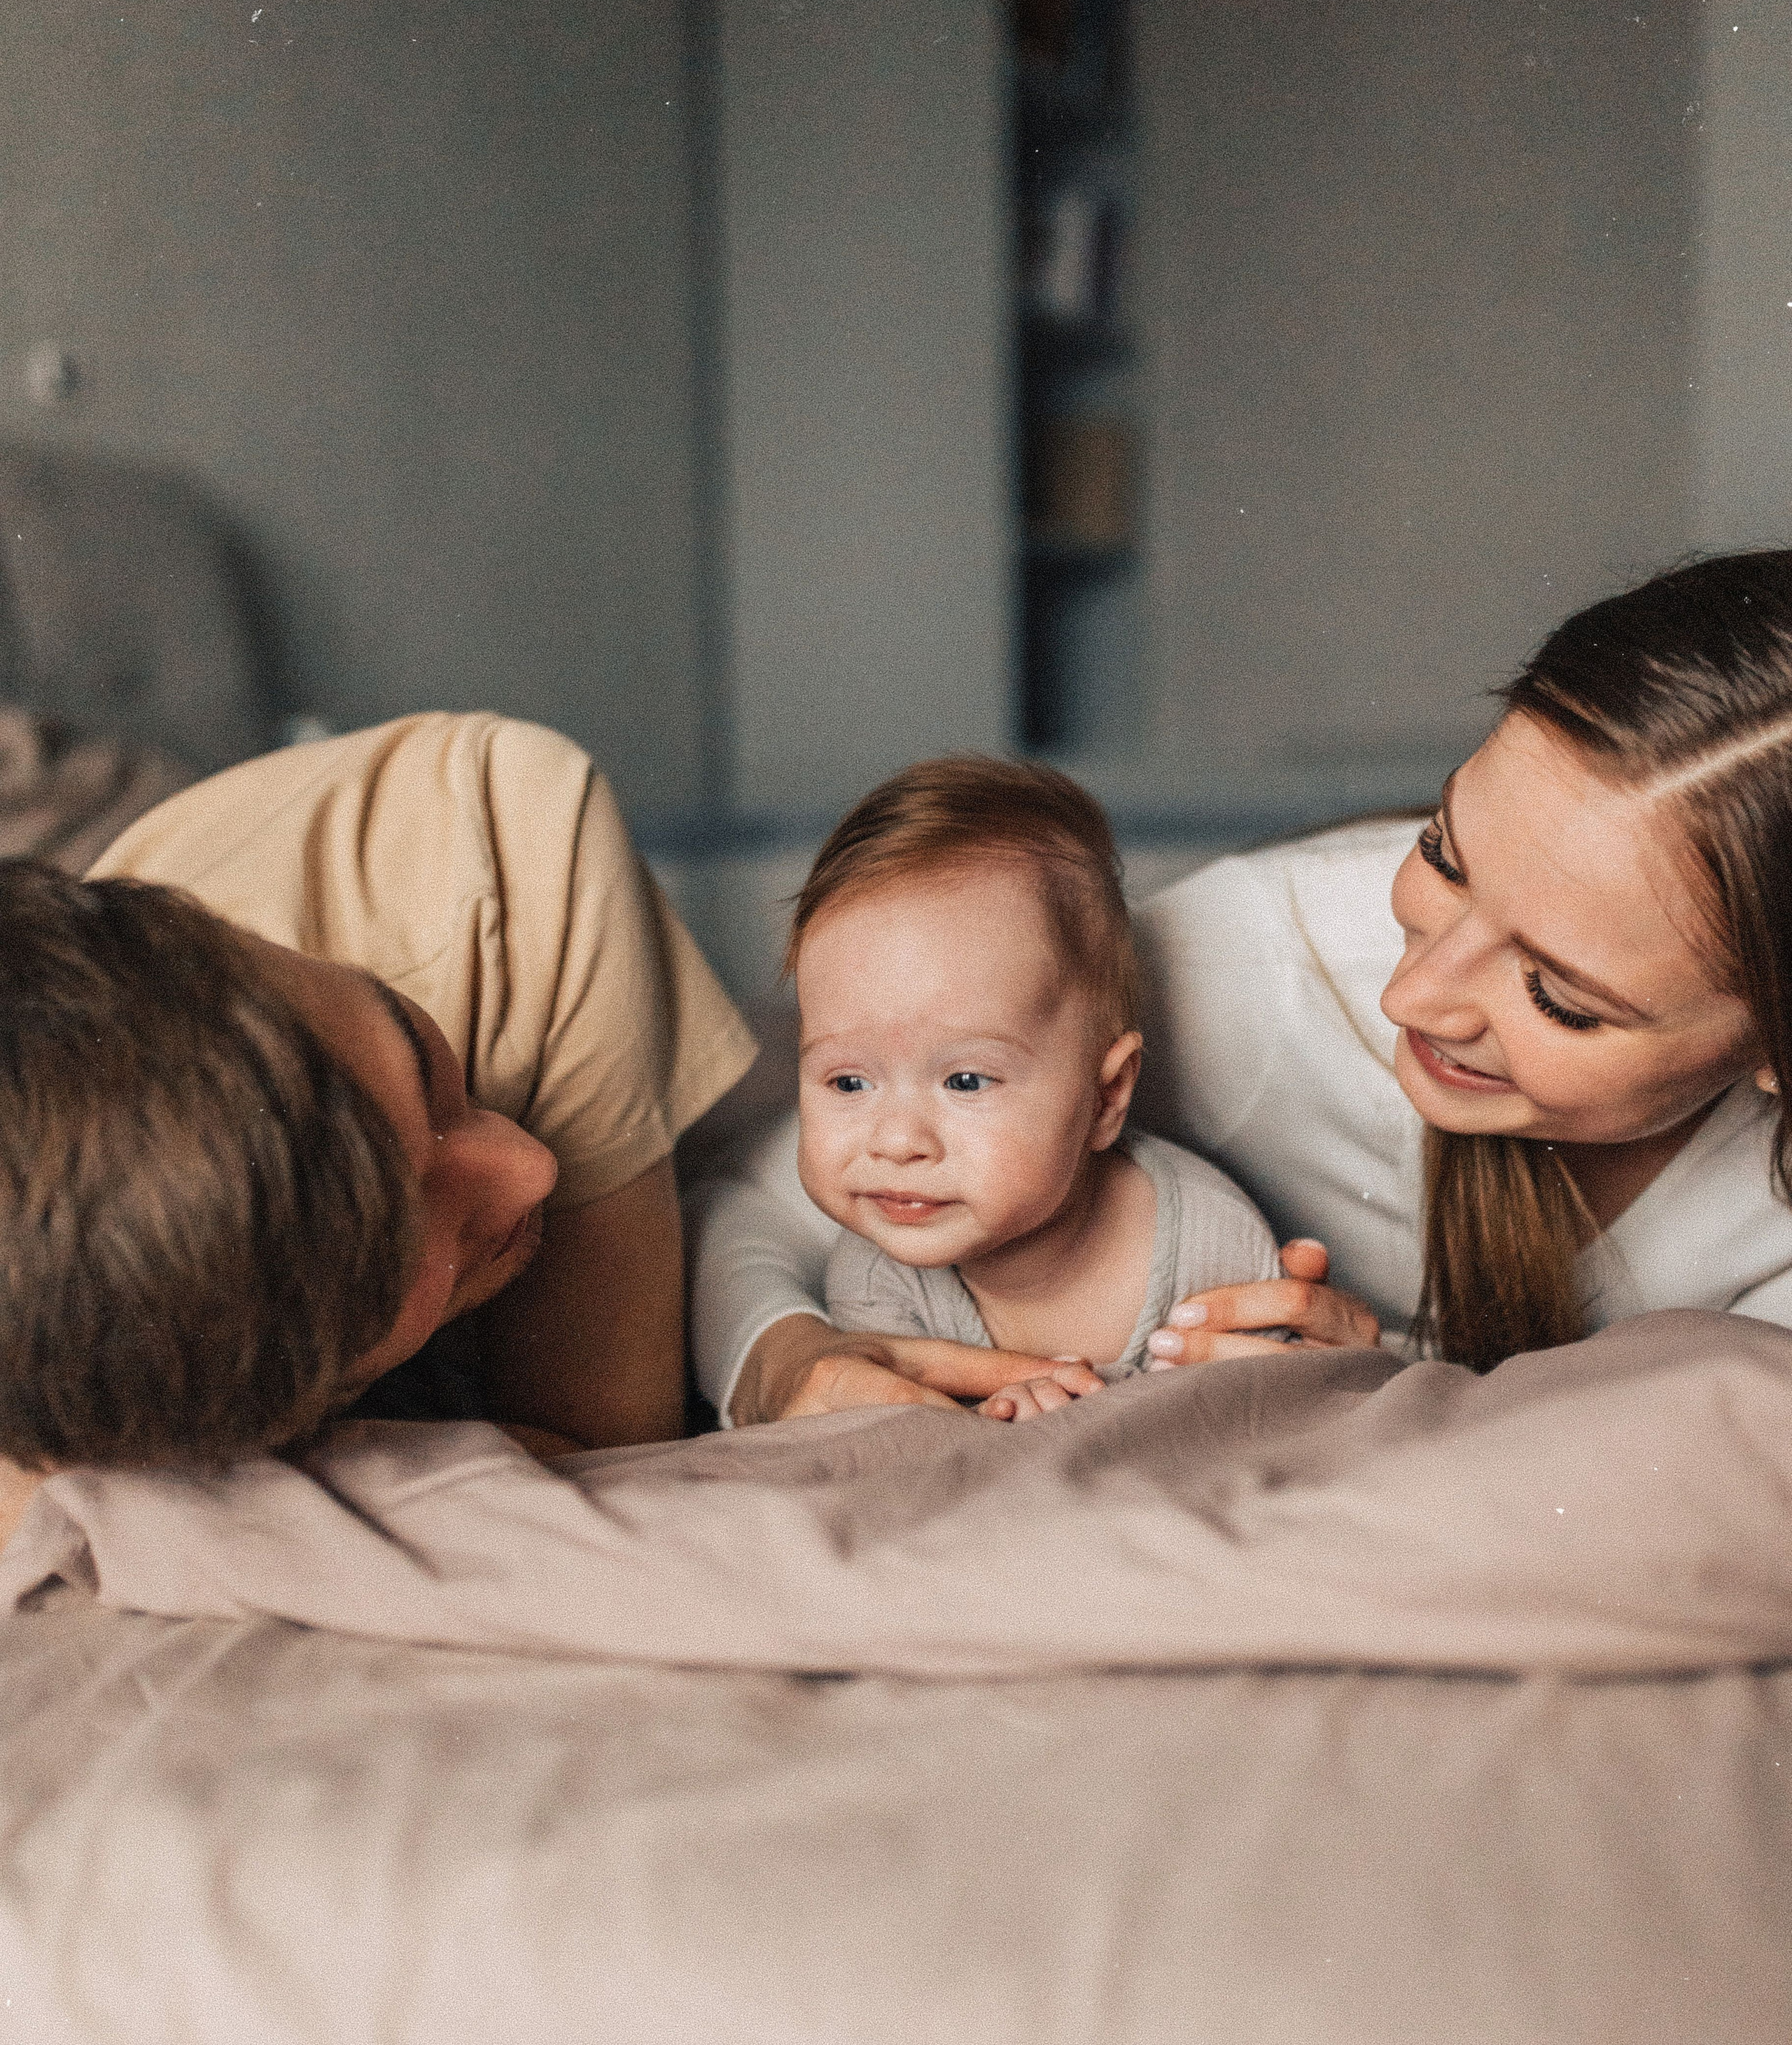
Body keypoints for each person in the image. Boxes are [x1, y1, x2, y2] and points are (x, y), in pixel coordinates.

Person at [690, 550, 1792, 1423]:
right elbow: (742, 1204)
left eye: (1561, 997)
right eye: (1445, 854)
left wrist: (1394, 1391)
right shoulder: (1251, 976)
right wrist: (780, 1359)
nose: (1411, 998)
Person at [0, 711, 757, 1472]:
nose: (533, 1166)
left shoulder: (489, 839)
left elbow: (607, 1457)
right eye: (412, 1246)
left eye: (423, 1066)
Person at [791, 758, 1280, 1421]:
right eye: (849, 1081)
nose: (897, 1141)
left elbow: (1269, 1430)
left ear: (1106, 1098)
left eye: (965, 1081)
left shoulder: (1210, 1246)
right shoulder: (878, 1274)